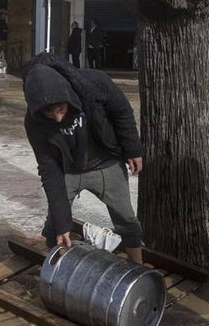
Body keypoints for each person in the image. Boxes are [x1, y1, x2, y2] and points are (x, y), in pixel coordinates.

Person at [23, 52, 144, 264]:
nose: (58, 117)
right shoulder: (34, 122)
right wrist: (62, 224)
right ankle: (58, 270)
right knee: (56, 225)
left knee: (127, 221)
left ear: (66, 93)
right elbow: (48, 167)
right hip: (67, 170)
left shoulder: (95, 83)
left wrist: (133, 149)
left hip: (106, 162)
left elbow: (122, 112)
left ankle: (138, 267)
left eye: (60, 109)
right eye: (49, 114)